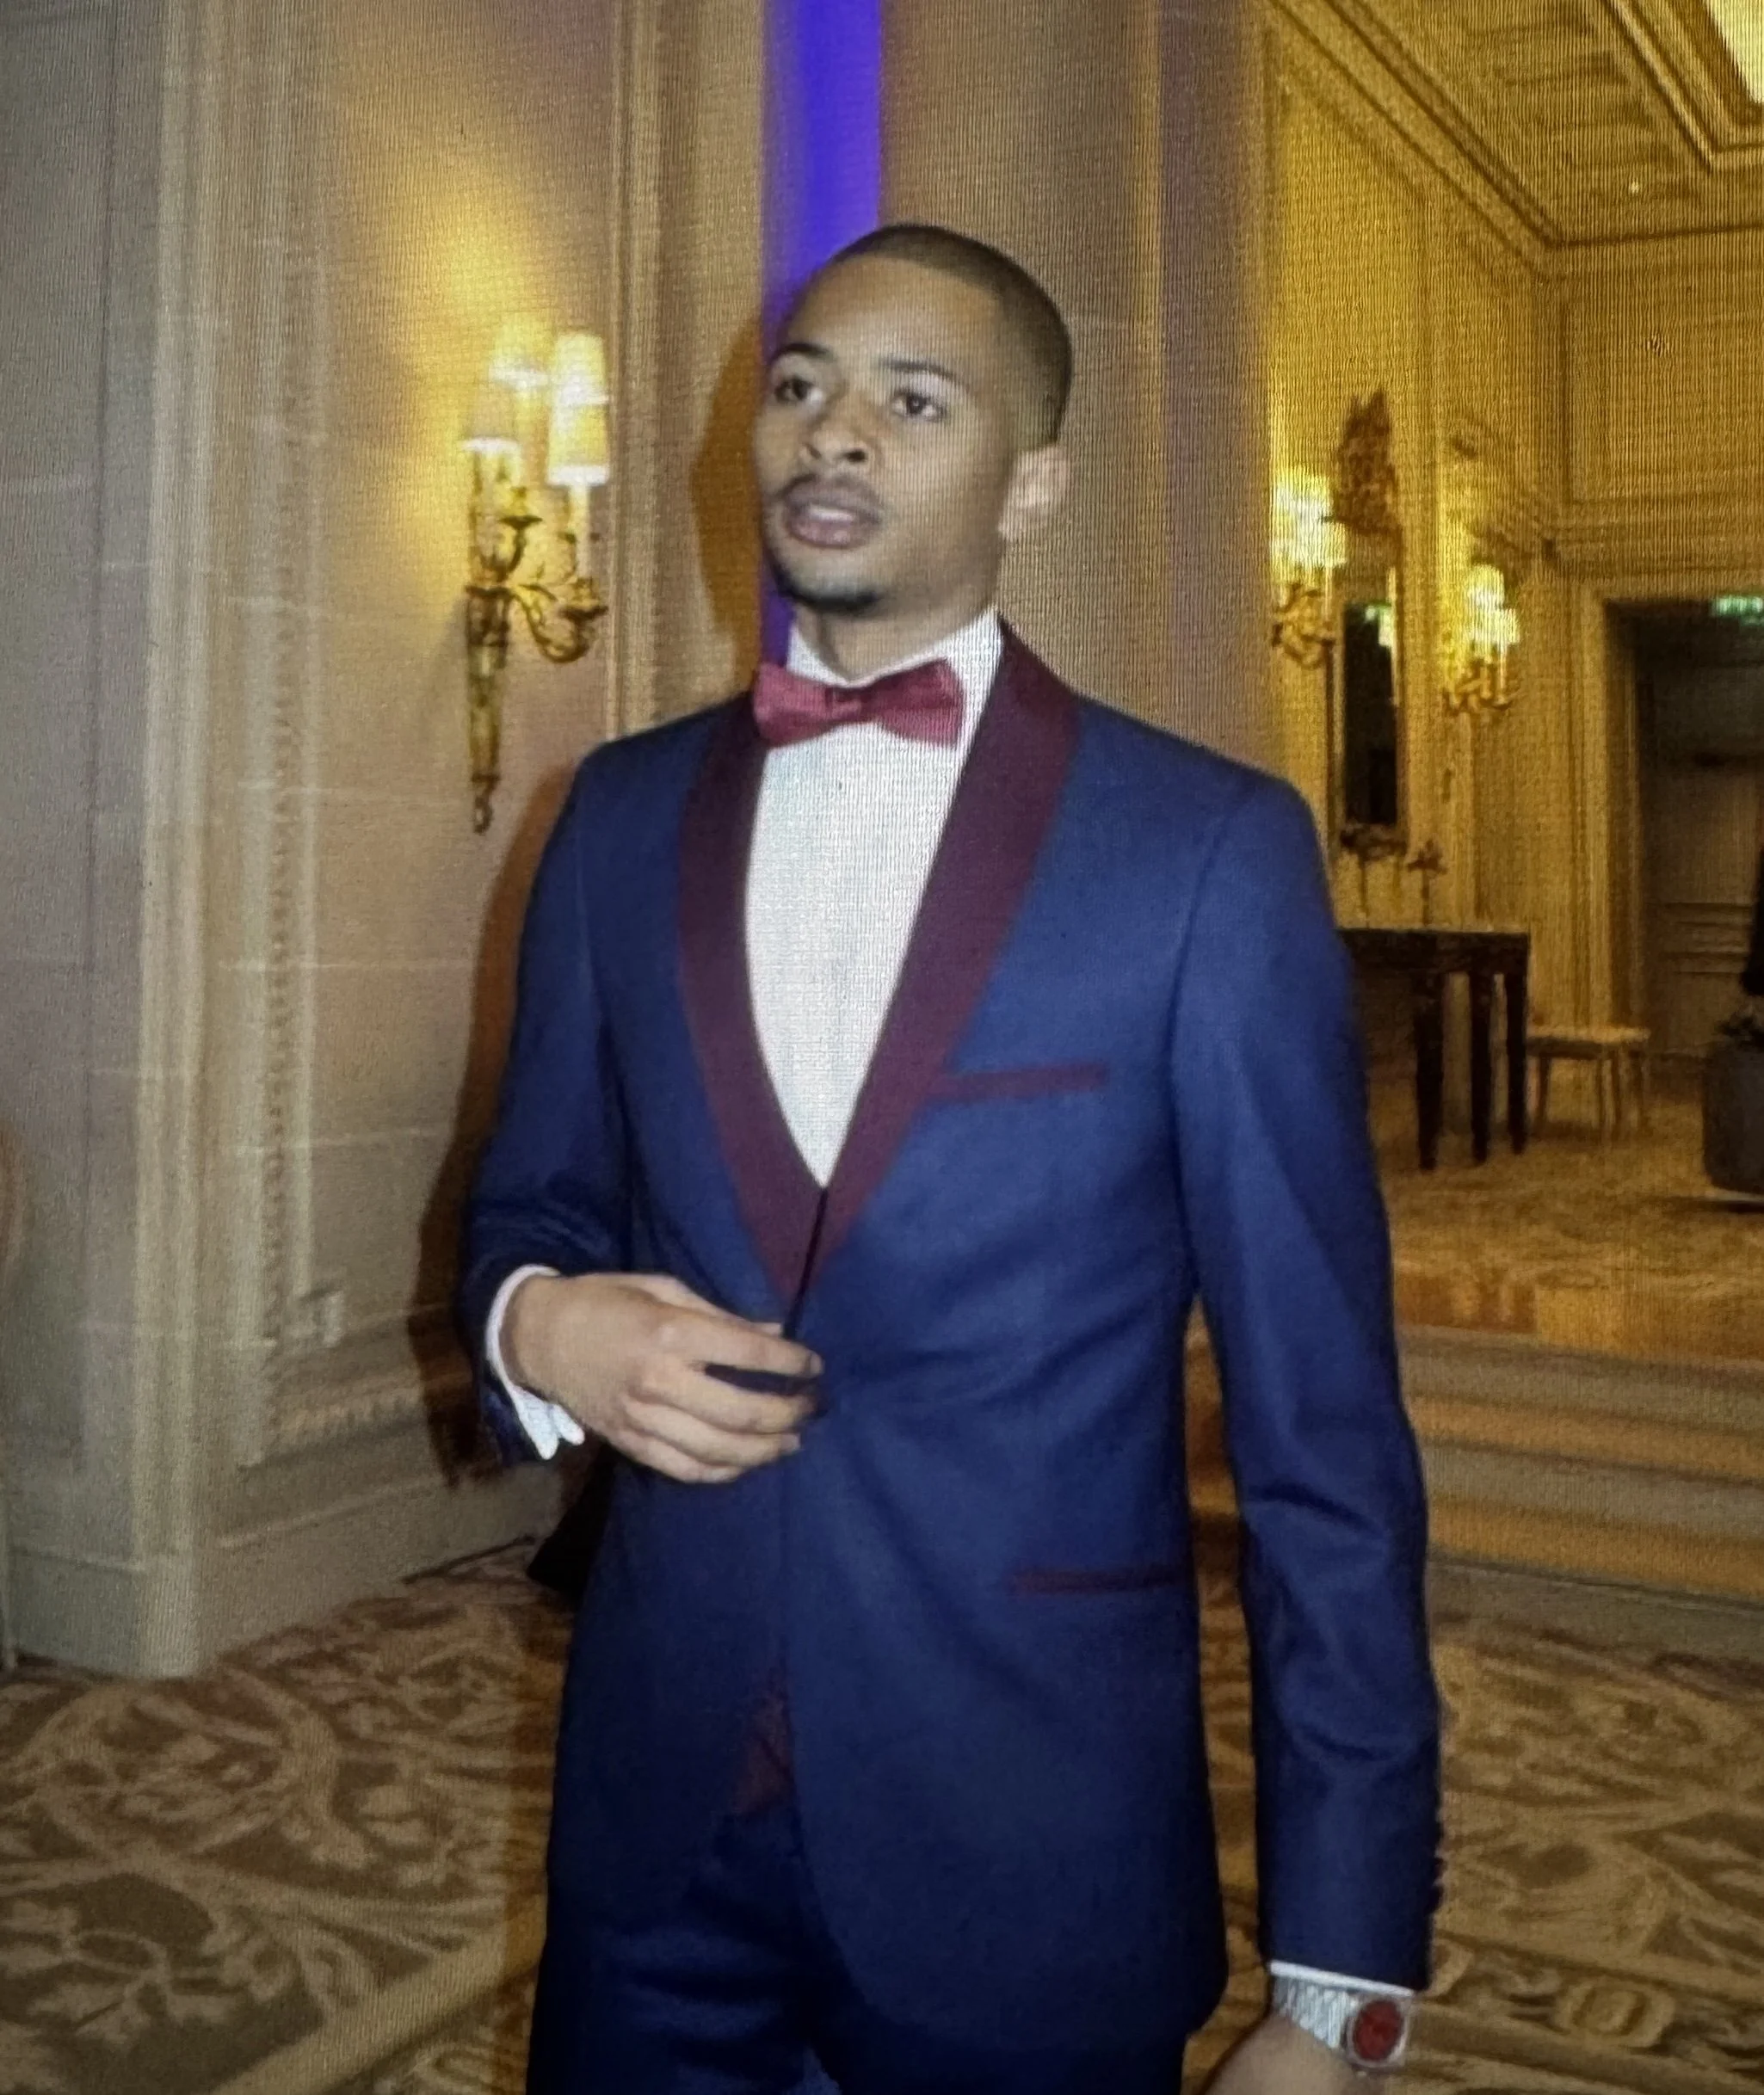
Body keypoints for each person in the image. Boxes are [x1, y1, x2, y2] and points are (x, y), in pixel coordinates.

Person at [460, 222, 1441, 2095]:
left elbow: (1325, 1450)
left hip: (1030, 1835)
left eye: (914, 401)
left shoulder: (1204, 854)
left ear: (1033, 482)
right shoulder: (617, 814)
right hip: (657, 1830)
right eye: (803, 384)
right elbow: (531, 1203)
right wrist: (542, 1325)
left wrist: (1339, 1987)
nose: (835, 430)